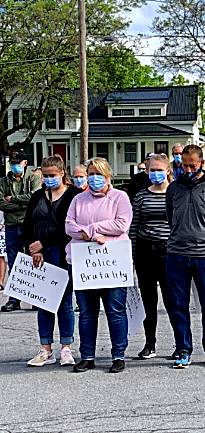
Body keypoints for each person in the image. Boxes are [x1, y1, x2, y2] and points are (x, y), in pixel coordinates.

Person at [166, 145, 205, 369]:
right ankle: (183, 349)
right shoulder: (173, 188)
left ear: (202, 163)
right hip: (176, 254)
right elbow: (170, 216)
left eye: (193, 165)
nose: (188, 169)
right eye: (185, 165)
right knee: (178, 305)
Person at [66, 157, 133, 373]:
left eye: (99, 174)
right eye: (91, 173)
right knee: (87, 311)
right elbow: (69, 226)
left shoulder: (120, 197)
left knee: (115, 310)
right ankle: (87, 356)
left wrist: (93, 229)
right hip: (84, 263)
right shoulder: (78, 199)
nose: (95, 178)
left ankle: (118, 355)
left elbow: (121, 224)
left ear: (108, 176)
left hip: (112, 262)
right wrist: (89, 235)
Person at [23, 155, 81, 366]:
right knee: (42, 302)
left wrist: (43, 243)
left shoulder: (74, 195)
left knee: (65, 302)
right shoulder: (38, 195)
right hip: (39, 255)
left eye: (52, 175)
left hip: (63, 252)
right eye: (45, 176)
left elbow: (70, 227)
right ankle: (45, 348)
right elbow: (28, 223)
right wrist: (33, 248)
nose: (48, 179)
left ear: (62, 173)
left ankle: (66, 347)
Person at [129, 153, 176, 359]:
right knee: (149, 300)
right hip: (145, 251)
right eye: (152, 170)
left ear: (168, 171)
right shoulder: (141, 196)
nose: (155, 173)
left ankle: (180, 343)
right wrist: (130, 255)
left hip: (169, 251)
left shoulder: (175, 193)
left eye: (159, 170)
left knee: (172, 300)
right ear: (146, 171)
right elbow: (134, 226)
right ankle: (150, 343)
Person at [0, 148, 42, 312]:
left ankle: (35, 296)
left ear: (25, 163)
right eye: (13, 163)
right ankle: (14, 298)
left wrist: (13, 199)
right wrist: (22, 205)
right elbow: (0, 202)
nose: (15, 166)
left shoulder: (32, 178)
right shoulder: (3, 181)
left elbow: (35, 197)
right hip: (11, 225)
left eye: (18, 163)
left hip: (29, 225)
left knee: (34, 260)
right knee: (14, 262)